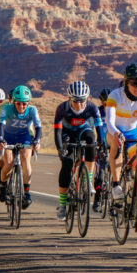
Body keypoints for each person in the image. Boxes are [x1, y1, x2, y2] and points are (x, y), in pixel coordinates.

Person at [105, 63, 137, 229]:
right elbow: (109, 121)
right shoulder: (115, 95)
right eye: (134, 83)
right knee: (116, 144)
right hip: (113, 130)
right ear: (126, 82)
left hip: (133, 132)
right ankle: (116, 185)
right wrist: (115, 133)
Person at [53, 81, 104, 221]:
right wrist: (60, 149)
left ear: (87, 98)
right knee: (67, 163)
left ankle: (88, 182)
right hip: (67, 134)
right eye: (76, 100)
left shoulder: (92, 107)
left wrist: (102, 144)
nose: (80, 104)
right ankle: (62, 205)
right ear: (69, 98)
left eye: (82, 100)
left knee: (91, 138)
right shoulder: (62, 108)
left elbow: (99, 129)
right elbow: (57, 132)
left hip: (83, 131)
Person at [0, 85, 42, 209]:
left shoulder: (32, 110)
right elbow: (1, 124)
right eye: (18, 104)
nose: (21, 106)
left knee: (26, 159)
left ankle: (26, 192)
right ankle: (3, 185)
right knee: (9, 163)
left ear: (28, 103)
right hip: (8, 136)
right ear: (14, 102)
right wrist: (0, 139)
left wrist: (37, 140)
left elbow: (38, 127)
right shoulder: (7, 108)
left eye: (24, 104)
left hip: (24, 137)